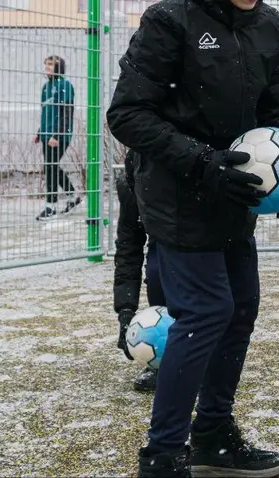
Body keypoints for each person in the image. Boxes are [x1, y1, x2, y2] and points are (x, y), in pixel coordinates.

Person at [106, 0, 279, 478]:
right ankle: (163, 454)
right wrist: (202, 162)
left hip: (237, 196)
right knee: (204, 313)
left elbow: (276, 107)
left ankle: (214, 438)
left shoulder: (268, 25)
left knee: (241, 306)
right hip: (176, 193)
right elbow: (127, 114)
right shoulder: (170, 22)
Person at [115, 148, 167, 393]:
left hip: (205, 236)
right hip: (164, 244)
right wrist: (126, 311)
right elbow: (128, 247)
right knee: (158, 271)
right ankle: (163, 359)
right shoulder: (130, 183)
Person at [34, 55, 81, 221]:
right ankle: (73, 196)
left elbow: (67, 112)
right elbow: (47, 113)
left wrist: (57, 135)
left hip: (58, 135)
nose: (47, 67)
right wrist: (40, 132)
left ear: (59, 67)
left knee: (51, 167)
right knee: (51, 167)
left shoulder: (64, 85)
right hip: (47, 135)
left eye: (51, 65)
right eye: (45, 64)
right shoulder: (46, 87)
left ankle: (51, 206)